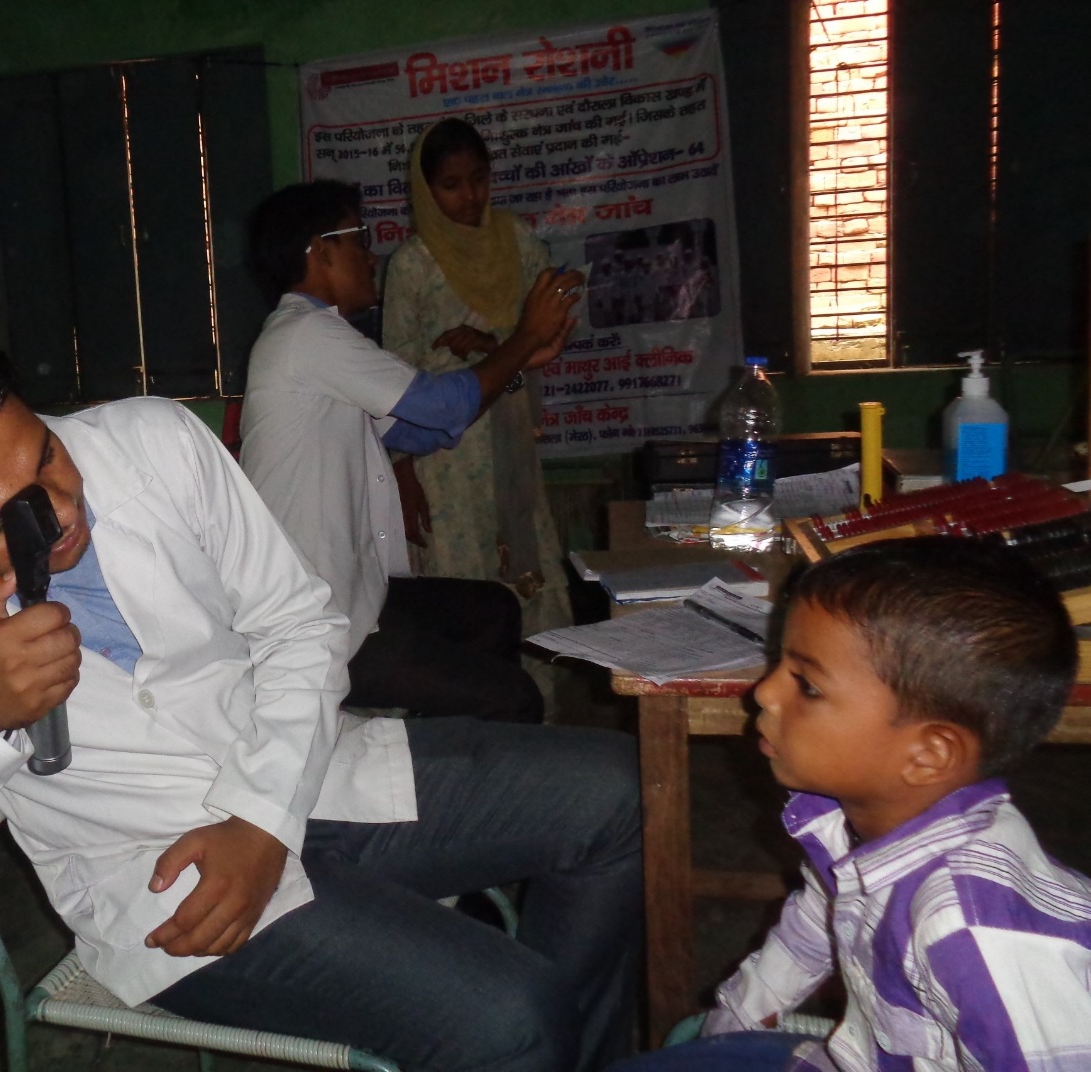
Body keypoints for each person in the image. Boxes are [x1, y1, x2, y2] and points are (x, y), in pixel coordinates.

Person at [0, 318, 643, 1072]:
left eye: (45, 450)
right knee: (510, 1016)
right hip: (163, 885)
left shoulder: (154, 441)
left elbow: (299, 623)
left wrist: (263, 817)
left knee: (629, 797)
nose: (64, 507)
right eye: (6, 517)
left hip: (309, 771)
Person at [608, 537, 1091, 1072]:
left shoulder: (973, 931)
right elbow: (808, 933)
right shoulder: (852, 826)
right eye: (778, 665)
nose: (765, 693)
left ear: (927, 755)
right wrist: (731, 1026)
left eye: (807, 686)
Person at [240, 179, 582, 724]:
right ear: (320, 250)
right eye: (359, 238)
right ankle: (457, 782)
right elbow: (442, 407)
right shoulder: (305, 337)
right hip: (311, 621)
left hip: (350, 593)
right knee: (513, 697)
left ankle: (447, 758)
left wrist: (522, 360)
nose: (371, 255)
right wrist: (523, 336)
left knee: (493, 611)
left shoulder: (318, 339)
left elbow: (420, 430)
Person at [382, 119, 574, 693]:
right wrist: (402, 475)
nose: (469, 197)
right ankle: (474, 723)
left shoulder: (518, 242)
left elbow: (553, 332)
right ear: (426, 189)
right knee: (462, 586)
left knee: (526, 574)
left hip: (509, 438)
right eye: (451, 184)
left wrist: (493, 347)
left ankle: (536, 713)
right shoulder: (411, 265)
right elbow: (393, 382)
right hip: (444, 459)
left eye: (479, 179)